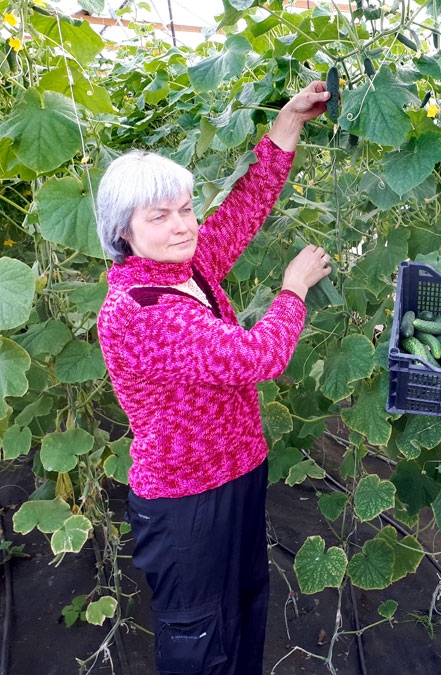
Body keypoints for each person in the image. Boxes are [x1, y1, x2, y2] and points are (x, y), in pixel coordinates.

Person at [95, 81, 333, 675]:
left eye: (185, 209)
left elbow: (245, 208)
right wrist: (292, 288)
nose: (181, 226)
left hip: (239, 473)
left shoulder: (189, 266)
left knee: (247, 609)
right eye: (159, 216)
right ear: (124, 230)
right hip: (185, 499)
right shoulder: (140, 311)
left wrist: (289, 123)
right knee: (198, 638)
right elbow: (259, 357)